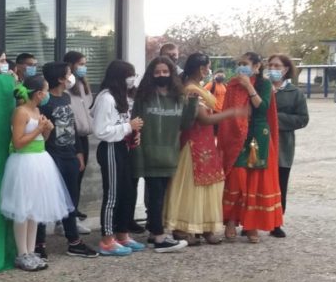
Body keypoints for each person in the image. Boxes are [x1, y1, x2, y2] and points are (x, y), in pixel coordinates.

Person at [164, 53, 246, 244]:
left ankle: (205, 227)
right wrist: (231, 113)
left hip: (206, 140)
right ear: (202, 68)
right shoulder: (190, 89)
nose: (208, 70)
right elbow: (204, 118)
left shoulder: (198, 86)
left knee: (210, 183)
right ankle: (184, 228)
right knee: (192, 186)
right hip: (193, 142)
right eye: (208, 67)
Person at [0, 75, 74, 271]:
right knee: (22, 209)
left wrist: (46, 129)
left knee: (34, 210)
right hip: (24, 161)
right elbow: (18, 142)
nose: (48, 94)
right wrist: (39, 128)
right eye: (47, 90)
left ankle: (31, 251)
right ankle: (22, 253)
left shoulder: (37, 110)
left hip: (40, 160)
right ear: (39, 93)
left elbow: (42, 138)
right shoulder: (21, 112)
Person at [218, 52, 283, 243]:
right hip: (237, 136)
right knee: (237, 178)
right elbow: (228, 112)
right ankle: (230, 220)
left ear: (256, 66)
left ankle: (251, 225)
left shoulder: (264, 84)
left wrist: (249, 86)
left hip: (258, 136)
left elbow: (262, 108)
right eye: (239, 63)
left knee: (256, 178)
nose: (241, 67)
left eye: (245, 63)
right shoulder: (232, 85)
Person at [130, 57, 189, 253]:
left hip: (170, 153)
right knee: (155, 196)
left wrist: (194, 102)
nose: (161, 75)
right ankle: (159, 236)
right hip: (148, 152)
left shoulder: (179, 96)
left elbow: (186, 124)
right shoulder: (143, 96)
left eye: (165, 72)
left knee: (160, 197)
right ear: (150, 74)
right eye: (157, 72)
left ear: (172, 73)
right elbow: (135, 124)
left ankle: (155, 235)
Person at [40, 62, 98, 258]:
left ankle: (74, 241)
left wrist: (79, 153)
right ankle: (39, 244)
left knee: (70, 200)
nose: (71, 77)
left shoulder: (66, 97)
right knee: (46, 200)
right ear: (59, 78)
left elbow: (72, 126)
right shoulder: (45, 101)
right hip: (51, 155)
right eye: (68, 74)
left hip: (70, 154)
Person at [90, 60, 144, 257]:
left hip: (123, 146)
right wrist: (128, 127)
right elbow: (101, 131)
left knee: (127, 192)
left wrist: (133, 133)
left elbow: (123, 124)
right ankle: (107, 239)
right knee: (113, 194)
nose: (132, 79)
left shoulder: (122, 96)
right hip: (110, 149)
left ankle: (122, 234)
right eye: (129, 75)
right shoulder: (106, 98)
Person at [268, 54, 309, 238]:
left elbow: (302, 119)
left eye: (277, 66)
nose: (273, 69)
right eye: (270, 65)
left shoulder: (295, 93)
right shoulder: (260, 88)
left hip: (283, 146)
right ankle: (250, 222)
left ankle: (276, 223)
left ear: (286, 69)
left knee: (279, 185)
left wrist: (276, 119)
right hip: (259, 144)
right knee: (256, 183)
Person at [63, 51, 93, 232]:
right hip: (72, 136)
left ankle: (73, 213)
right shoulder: (67, 85)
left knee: (78, 178)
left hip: (84, 134)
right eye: (80, 64)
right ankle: (67, 220)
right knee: (71, 179)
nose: (83, 67)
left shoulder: (82, 85)